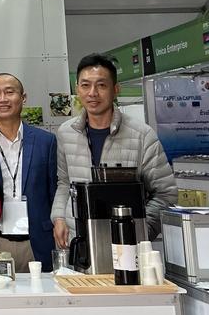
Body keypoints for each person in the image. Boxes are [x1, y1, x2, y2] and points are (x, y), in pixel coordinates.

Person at [52, 54, 176, 248]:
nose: (92, 93)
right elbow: (64, 183)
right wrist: (59, 217)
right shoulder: (66, 133)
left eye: (101, 85)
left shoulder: (142, 135)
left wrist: (140, 230)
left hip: (126, 245)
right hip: (79, 242)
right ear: (77, 89)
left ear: (116, 89)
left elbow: (165, 194)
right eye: (85, 85)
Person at [0, 73, 58, 272]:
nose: (3, 99)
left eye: (9, 92)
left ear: (23, 98)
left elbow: (54, 191)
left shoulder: (46, 141)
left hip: (38, 242)